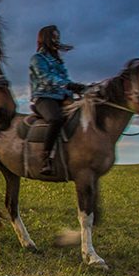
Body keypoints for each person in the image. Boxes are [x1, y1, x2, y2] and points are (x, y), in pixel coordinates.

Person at [29, 25, 86, 175]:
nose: (57, 40)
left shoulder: (58, 62)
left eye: (58, 37)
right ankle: (46, 158)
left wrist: (75, 89)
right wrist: (68, 85)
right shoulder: (37, 59)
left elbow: (64, 79)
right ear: (46, 39)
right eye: (54, 37)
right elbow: (46, 78)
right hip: (44, 98)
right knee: (55, 119)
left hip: (61, 97)